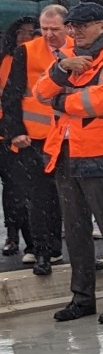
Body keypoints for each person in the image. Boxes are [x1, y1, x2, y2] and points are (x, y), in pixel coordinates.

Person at [37, 2, 103, 325]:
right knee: (75, 229)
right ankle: (82, 297)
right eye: (71, 25)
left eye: (81, 25)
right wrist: (63, 69)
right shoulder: (68, 57)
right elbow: (40, 91)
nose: (73, 31)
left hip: (102, 151)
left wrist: (63, 100)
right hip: (66, 151)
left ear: (100, 25)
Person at [5, 5, 70, 275]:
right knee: (40, 198)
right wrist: (14, 131)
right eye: (44, 29)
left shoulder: (78, 52)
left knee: (68, 199)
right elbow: (11, 94)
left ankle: (62, 250)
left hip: (67, 137)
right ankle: (42, 251)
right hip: (36, 139)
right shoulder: (28, 51)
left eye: (55, 29)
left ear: (68, 27)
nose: (49, 34)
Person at [0, 16, 38, 257]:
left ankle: (27, 238)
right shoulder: (5, 60)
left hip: (24, 132)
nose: (25, 37)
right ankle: (12, 233)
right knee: (12, 188)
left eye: (31, 32)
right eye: (22, 32)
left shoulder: (34, 61)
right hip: (5, 131)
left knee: (20, 188)